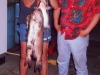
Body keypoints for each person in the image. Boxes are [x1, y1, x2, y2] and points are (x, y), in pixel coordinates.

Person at [53, 0, 100, 75]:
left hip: (79, 35)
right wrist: (55, 24)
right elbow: (57, 6)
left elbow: (98, 12)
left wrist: (87, 31)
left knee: (80, 67)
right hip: (63, 33)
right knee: (62, 62)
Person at [18, 0, 58, 75]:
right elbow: (27, 4)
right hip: (27, 23)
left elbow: (55, 6)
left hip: (43, 24)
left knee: (43, 57)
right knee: (25, 55)